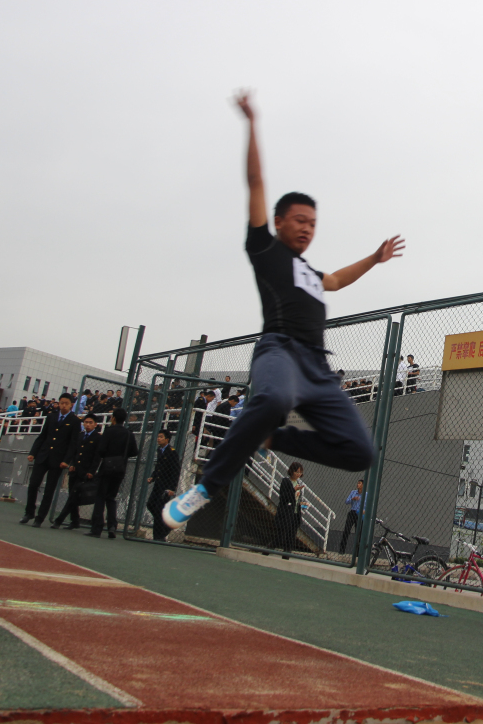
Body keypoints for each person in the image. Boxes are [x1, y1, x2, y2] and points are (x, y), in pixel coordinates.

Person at [163, 92, 403, 532]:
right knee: (272, 399)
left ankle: (271, 436)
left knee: (360, 451)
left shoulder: (310, 272)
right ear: (278, 222)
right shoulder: (265, 248)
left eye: (313, 223)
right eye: (299, 221)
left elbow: (337, 280)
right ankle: (203, 489)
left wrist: (374, 258)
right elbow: (256, 182)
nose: (307, 229)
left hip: (317, 369)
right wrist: (252, 123)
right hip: (280, 351)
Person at [20, 393, 82, 527]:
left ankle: (40, 517)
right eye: (61, 403)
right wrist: (33, 452)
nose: (63, 406)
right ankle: (29, 512)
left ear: (71, 405)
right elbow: (43, 436)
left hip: (58, 460)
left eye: (66, 403)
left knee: (49, 490)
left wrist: (66, 460)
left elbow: (73, 444)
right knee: (33, 484)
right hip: (43, 455)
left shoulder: (75, 421)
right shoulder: (51, 416)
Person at [86, 407, 138, 539]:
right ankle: (112, 526)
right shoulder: (129, 434)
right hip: (120, 468)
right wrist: (122, 456)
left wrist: (109, 454)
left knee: (100, 497)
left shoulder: (109, 431)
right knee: (111, 497)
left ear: (113, 418)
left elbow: (101, 450)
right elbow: (134, 451)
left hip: (106, 467)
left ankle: (97, 527)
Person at [51, 414, 102, 529]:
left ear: (95, 424)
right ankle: (75, 520)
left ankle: (59, 520)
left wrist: (92, 471)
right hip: (75, 470)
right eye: (86, 422)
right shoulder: (80, 436)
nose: (87, 425)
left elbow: (97, 457)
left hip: (85, 472)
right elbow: (74, 451)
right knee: (72, 496)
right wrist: (72, 464)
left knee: (73, 497)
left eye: (90, 423)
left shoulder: (97, 438)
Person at [146, 430, 180, 541]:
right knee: (151, 504)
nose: (158, 439)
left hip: (166, 486)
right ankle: (165, 527)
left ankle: (158, 536)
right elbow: (159, 466)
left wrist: (172, 488)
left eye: (161, 437)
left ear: (167, 439)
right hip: (158, 484)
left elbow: (175, 471)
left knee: (159, 509)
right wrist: (153, 477)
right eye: (158, 436)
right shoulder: (160, 450)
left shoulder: (172, 452)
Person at [271, 462, 304, 558]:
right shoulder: (286, 481)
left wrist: (302, 503)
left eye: (300, 472)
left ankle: (286, 555)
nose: (298, 474)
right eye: (297, 472)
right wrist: (293, 490)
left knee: (291, 536)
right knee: (281, 536)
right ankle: (268, 549)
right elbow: (283, 497)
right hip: (286, 513)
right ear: (291, 471)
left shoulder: (299, 483)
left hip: (295, 513)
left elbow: (297, 499)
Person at [340, 479, 365, 554]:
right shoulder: (353, 492)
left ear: (363, 485)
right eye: (358, 483)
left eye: (359, 483)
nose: (358, 484)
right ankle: (342, 550)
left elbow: (368, 505)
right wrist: (352, 499)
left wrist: (364, 510)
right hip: (352, 512)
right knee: (346, 531)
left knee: (359, 533)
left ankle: (357, 553)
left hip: (360, 514)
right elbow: (346, 501)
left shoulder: (366, 495)